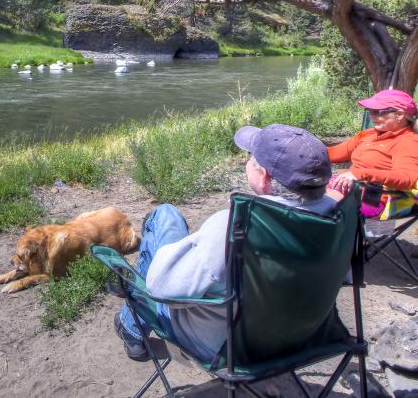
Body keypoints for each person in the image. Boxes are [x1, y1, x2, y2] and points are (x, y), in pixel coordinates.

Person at [114, 124, 341, 363]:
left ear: (264, 177)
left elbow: (161, 290)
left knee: (165, 216)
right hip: (301, 339)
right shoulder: (337, 220)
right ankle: (131, 325)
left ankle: (131, 326)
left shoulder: (234, 227)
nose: (247, 162)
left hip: (225, 349)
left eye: (250, 158)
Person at [328, 89, 418, 197]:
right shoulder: (368, 134)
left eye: (377, 112)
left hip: (374, 198)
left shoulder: (407, 142)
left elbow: (406, 178)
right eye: (370, 110)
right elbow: (332, 153)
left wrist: (361, 174)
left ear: (399, 115)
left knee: (310, 204)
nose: (371, 116)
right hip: (349, 189)